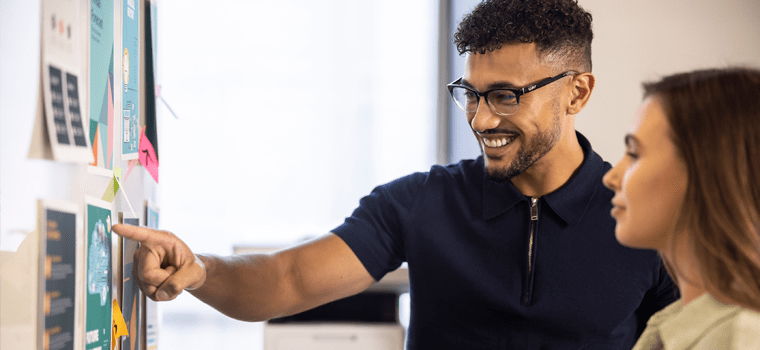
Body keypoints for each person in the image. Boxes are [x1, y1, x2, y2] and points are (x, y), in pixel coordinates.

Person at [113, 0, 677, 348]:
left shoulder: (646, 220)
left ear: (577, 91)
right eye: (470, 95)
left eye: (505, 96)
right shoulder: (422, 202)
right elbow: (287, 281)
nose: (481, 119)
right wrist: (201, 270)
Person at [602, 67, 760, 349]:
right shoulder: (671, 323)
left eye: (635, 154)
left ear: (710, 170)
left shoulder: (742, 337)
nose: (611, 178)